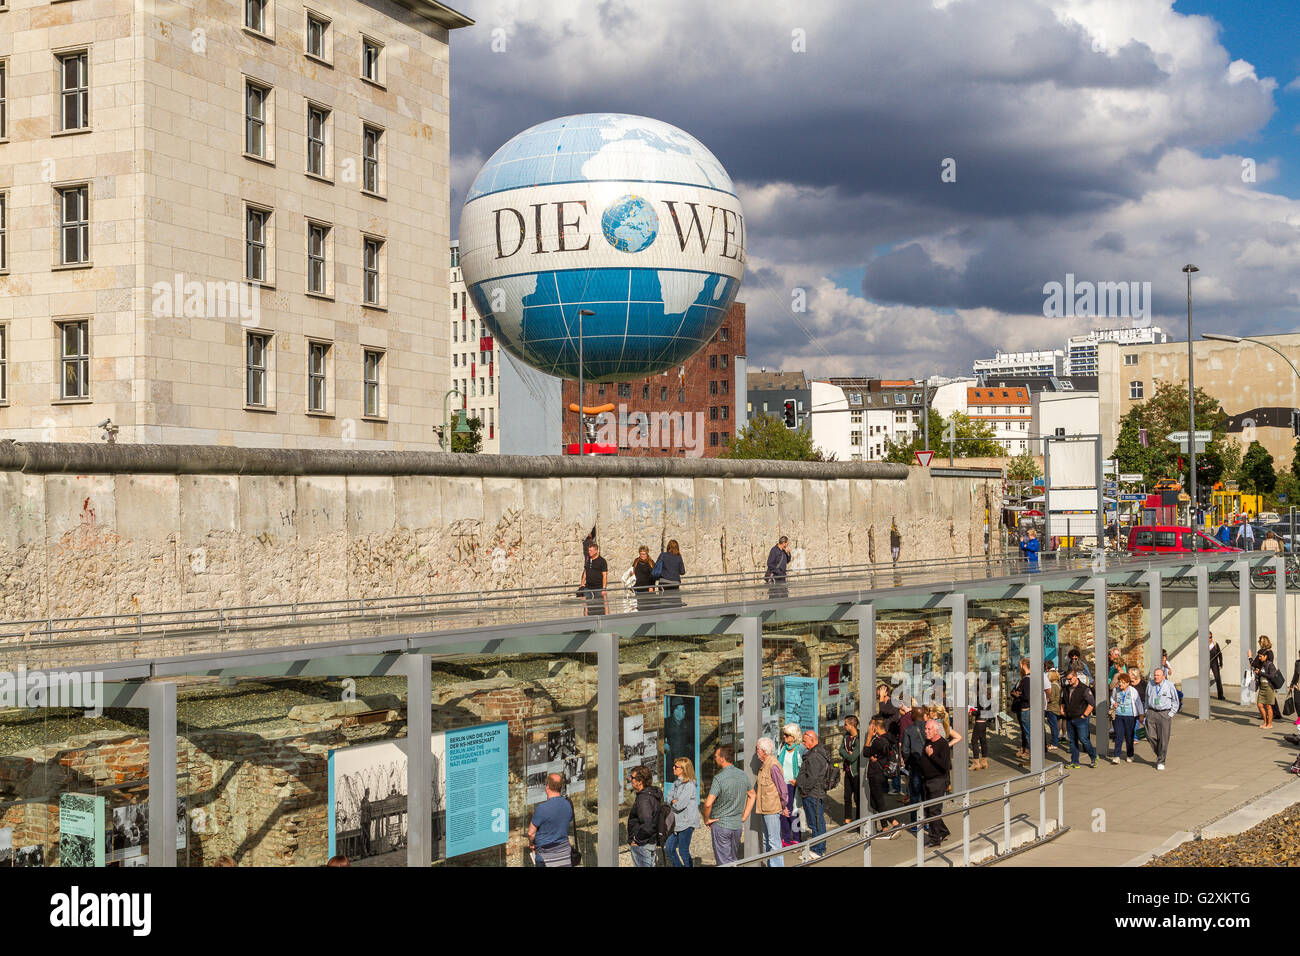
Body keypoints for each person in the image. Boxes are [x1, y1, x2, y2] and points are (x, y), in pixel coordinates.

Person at [742, 737, 788, 866]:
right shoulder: (765, 765)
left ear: (764, 751)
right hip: (766, 808)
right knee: (767, 841)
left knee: (774, 842)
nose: (756, 752)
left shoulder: (772, 765)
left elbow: (782, 789)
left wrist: (783, 805)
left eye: (757, 749)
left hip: (772, 809)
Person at [701, 746, 747, 865]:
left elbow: (708, 803)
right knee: (733, 859)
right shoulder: (742, 774)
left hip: (721, 825)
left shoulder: (719, 778)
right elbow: (752, 795)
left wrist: (706, 819)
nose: (715, 759)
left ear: (722, 759)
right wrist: (744, 815)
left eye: (716, 756)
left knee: (723, 862)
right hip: (737, 825)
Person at [795, 729, 830, 861]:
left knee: (816, 822)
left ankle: (818, 850)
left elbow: (813, 777)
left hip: (813, 793)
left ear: (812, 739)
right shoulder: (817, 752)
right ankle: (819, 847)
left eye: (805, 741)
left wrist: (804, 790)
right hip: (814, 792)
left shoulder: (815, 755)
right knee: (816, 821)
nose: (803, 744)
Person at [863, 716, 903, 833]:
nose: (869, 728)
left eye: (871, 726)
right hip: (883, 772)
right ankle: (885, 826)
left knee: (879, 802)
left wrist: (869, 738)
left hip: (876, 773)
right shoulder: (890, 738)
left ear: (875, 726)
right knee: (875, 802)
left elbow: (866, 752)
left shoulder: (879, 741)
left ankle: (895, 823)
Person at [528, 772, 575, 867]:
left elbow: (530, 833)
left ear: (547, 787)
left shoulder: (541, 808)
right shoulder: (568, 804)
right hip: (564, 853)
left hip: (545, 855)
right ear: (560, 787)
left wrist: (532, 843)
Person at [918, 720, 951, 848]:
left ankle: (935, 839)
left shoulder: (943, 744)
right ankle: (943, 831)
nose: (926, 731)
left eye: (929, 729)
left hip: (938, 781)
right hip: (926, 780)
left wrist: (931, 755)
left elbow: (945, 765)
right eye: (925, 729)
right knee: (928, 809)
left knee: (934, 811)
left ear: (936, 730)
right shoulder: (928, 741)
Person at [665, 757, 699, 867]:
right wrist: (672, 800)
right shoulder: (676, 783)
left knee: (683, 851)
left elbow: (679, 805)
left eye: (676, 767)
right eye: (674, 766)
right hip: (676, 823)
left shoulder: (689, 785)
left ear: (684, 769)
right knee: (669, 848)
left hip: (686, 823)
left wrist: (674, 801)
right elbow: (668, 798)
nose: (673, 768)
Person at [1144, 666, 1179, 770]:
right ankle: (1160, 754)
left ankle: (1161, 761)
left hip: (1164, 714)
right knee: (1150, 736)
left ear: (1163, 676)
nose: (1156, 677)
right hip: (1151, 712)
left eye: (1158, 675)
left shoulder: (1169, 685)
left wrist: (1171, 714)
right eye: (1155, 675)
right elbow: (1146, 697)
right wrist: (1146, 710)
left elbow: (1175, 700)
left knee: (1163, 738)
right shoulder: (1150, 684)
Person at [1061, 668, 1097, 768]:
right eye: (1067, 679)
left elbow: (1091, 703)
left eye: (1070, 679)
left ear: (1076, 676)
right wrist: (1062, 709)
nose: (1069, 681)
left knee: (1083, 739)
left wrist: (1084, 715)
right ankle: (1074, 761)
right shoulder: (1066, 688)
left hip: (1080, 719)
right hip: (1069, 718)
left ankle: (1093, 757)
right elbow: (1063, 700)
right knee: (1072, 741)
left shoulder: (1084, 689)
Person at [627, 766, 662, 867]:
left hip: (643, 844)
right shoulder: (650, 794)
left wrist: (636, 840)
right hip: (649, 842)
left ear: (640, 781)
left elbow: (648, 825)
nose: (630, 779)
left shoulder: (644, 800)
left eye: (632, 778)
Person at [775, 724, 804, 846]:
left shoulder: (800, 749)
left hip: (793, 785)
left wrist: (798, 780)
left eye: (787, 735)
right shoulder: (782, 748)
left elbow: (803, 768)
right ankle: (786, 839)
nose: (784, 737)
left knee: (793, 812)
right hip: (782, 784)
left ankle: (796, 838)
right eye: (784, 734)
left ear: (794, 736)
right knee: (783, 811)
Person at [875, 684, 903, 793]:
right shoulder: (885, 703)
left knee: (893, 761)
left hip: (892, 738)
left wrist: (882, 697)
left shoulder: (892, 703)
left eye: (881, 692)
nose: (879, 696)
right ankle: (885, 787)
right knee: (884, 761)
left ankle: (896, 787)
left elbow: (884, 710)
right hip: (885, 737)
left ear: (886, 692)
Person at [1109, 673, 1141, 764]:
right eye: (1119, 682)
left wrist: (1141, 714)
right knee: (1119, 736)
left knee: (1129, 736)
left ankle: (1130, 755)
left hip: (1130, 716)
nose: (1120, 684)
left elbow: (1138, 702)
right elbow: (1112, 699)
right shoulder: (1116, 690)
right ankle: (1116, 756)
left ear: (1127, 683)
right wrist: (1113, 703)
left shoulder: (1133, 691)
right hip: (1118, 716)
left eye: (1123, 683)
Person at [839, 715, 862, 824]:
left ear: (852, 725)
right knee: (847, 797)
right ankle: (847, 818)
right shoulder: (846, 737)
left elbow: (853, 757)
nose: (844, 726)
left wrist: (849, 755)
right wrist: (847, 753)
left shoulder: (860, 737)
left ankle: (858, 820)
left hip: (856, 772)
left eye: (846, 724)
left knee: (857, 798)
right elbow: (840, 750)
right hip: (847, 771)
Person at [1252, 636, 1277, 729]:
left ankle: (1269, 724)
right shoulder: (1261, 664)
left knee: (1268, 706)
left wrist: (1260, 673)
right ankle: (1265, 722)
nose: (1259, 658)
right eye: (1258, 656)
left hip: (1268, 687)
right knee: (1259, 705)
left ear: (1265, 656)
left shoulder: (1270, 665)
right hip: (1262, 687)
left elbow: (1271, 676)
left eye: (1260, 656)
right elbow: (1255, 665)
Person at [1011, 658, 1033, 760]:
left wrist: (1018, 695)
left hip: (1025, 708)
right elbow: (1014, 690)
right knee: (1025, 730)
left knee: (1028, 731)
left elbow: (1027, 696)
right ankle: (1025, 748)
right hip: (1021, 708)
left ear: (1024, 666)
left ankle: (1030, 752)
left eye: (1020, 665)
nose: (1019, 668)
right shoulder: (1022, 680)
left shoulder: (1027, 680)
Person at [578, 542, 608, 615]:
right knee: (586, 605)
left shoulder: (602, 561)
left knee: (601, 605)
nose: (589, 552)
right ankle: (587, 618)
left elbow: (605, 575)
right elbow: (585, 572)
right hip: (588, 587)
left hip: (598, 588)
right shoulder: (588, 560)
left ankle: (605, 617)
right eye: (588, 550)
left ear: (596, 551)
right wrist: (582, 583)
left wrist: (604, 588)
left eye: (591, 551)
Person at [1045, 665, 1062, 752]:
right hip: (1056, 708)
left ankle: (1054, 743)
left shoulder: (1052, 686)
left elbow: (1051, 698)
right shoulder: (1058, 685)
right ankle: (1054, 742)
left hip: (1052, 708)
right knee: (1055, 726)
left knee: (1053, 727)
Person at [1208, 631, 1225, 702]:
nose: (1209, 639)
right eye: (1208, 638)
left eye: (1210, 637)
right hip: (1206, 663)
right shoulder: (1203, 644)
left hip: (1214, 663)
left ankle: (1220, 695)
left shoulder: (1215, 644)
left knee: (1218, 678)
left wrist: (1221, 663)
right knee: (1204, 679)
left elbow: (1219, 654)